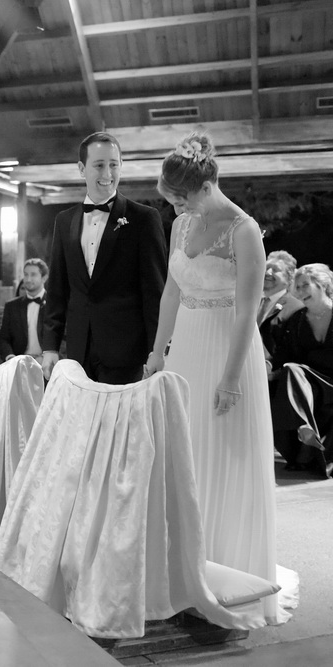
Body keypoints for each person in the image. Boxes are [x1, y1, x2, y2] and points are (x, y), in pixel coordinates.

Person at [144, 132, 292, 625]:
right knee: (185, 453)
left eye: (180, 197)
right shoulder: (182, 224)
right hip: (185, 344)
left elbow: (248, 310)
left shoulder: (244, 230)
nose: (176, 206)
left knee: (222, 451)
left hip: (229, 349)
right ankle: (186, 568)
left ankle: (231, 569)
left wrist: (231, 378)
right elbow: (170, 291)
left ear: (205, 186)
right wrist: (157, 352)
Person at [42, 131, 168, 384]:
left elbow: (155, 291)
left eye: (114, 165)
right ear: (82, 168)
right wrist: (50, 347)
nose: (107, 174)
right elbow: (57, 288)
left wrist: (158, 350)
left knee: (122, 423)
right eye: (99, 165)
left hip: (128, 353)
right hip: (78, 353)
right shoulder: (64, 221)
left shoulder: (144, 218)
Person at [268, 263, 333, 478]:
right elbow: (285, 358)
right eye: (298, 287)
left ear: (322, 285)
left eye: (306, 285)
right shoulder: (296, 321)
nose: (301, 291)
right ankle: (305, 426)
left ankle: (305, 429)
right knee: (291, 370)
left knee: (294, 371)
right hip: (309, 384)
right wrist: (269, 371)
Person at [0, 258, 48, 362]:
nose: (28, 279)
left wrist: (46, 358)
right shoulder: (11, 306)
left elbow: (64, 339)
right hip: (18, 363)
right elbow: (3, 339)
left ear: (44, 278)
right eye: (26, 274)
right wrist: (10, 357)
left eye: (33, 274)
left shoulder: (55, 305)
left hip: (48, 365)